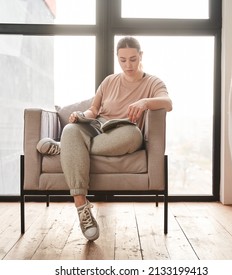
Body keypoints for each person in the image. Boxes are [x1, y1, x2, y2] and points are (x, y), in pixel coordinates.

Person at [36, 36, 172, 241]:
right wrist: (81, 116)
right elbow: (94, 109)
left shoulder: (153, 82)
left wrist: (144, 102)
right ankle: (82, 206)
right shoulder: (109, 81)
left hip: (124, 132)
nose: (128, 65)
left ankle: (65, 149)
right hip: (96, 127)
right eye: (123, 60)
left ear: (141, 56)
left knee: (132, 134)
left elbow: (168, 103)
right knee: (71, 130)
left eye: (133, 59)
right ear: (117, 57)